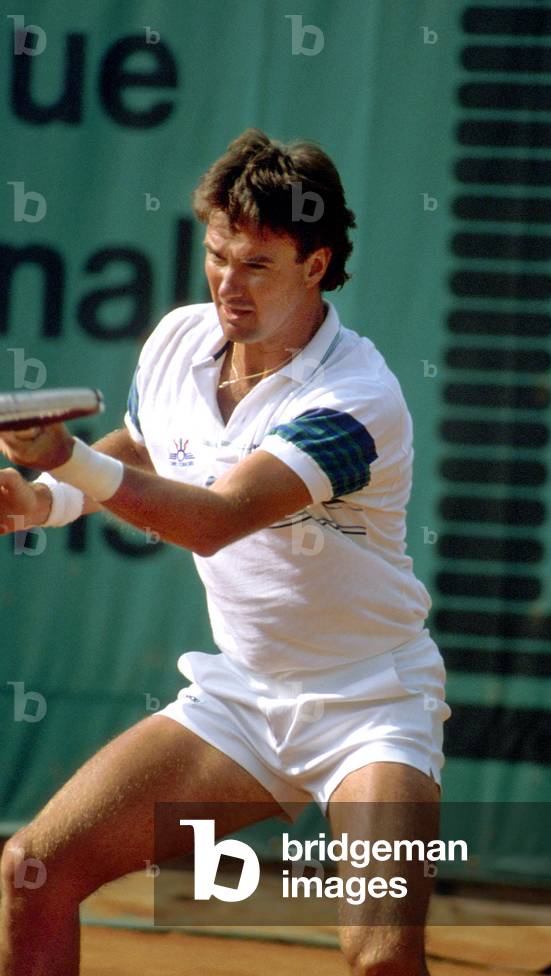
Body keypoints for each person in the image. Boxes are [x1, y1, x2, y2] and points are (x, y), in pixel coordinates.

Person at [0, 128, 450, 976]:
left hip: (371, 700)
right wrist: (46, 501)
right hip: (242, 696)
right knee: (34, 869)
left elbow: (215, 518)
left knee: (381, 957)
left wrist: (64, 457)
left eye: (256, 265)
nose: (226, 284)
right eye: (216, 255)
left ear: (316, 266)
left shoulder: (357, 399)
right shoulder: (176, 340)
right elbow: (145, 445)